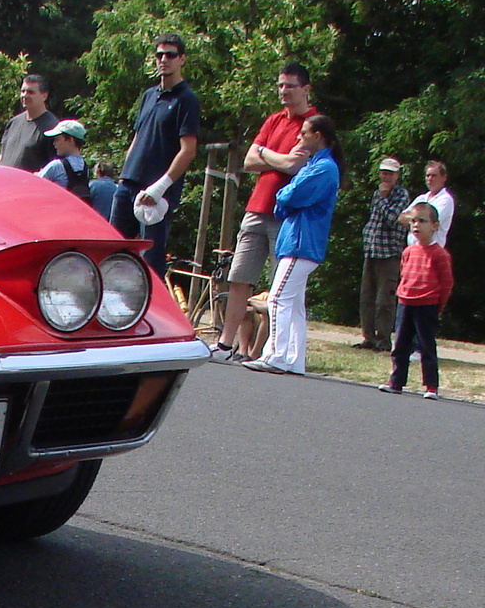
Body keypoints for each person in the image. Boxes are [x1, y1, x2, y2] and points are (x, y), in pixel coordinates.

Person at [209, 63, 316, 362]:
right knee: (239, 276)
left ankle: (269, 351)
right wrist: (275, 158)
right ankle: (225, 345)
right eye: (281, 85)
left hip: (286, 213)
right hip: (256, 207)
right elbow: (249, 160)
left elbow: (296, 166)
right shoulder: (273, 120)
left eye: (290, 86)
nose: (284, 91)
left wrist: (265, 154)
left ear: (306, 89)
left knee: (279, 285)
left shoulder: (313, 124)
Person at [243, 114, 342, 375]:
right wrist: (285, 196)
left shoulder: (324, 168)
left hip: (302, 243)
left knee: (277, 298)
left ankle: (275, 355)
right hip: (297, 240)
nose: (299, 137)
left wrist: (283, 195)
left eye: (304, 133)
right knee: (295, 303)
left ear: (318, 136)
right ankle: (295, 359)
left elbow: (291, 194)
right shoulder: (315, 165)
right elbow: (289, 194)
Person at [112, 33, 201, 278]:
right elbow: (138, 138)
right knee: (112, 252)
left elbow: (188, 150)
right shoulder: (149, 95)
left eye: (170, 54)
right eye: (159, 54)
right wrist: (123, 176)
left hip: (156, 193)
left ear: (181, 59)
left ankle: (149, 315)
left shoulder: (187, 100)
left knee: (150, 263)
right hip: (128, 183)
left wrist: (161, 187)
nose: (164, 59)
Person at [379, 201, 453, 400]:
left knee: (426, 345)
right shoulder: (409, 251)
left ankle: (431, 386)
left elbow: (446, 283)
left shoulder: (439, 254)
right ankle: (396, 381)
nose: (416, 225)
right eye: (413, 221)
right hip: (405, 303)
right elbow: (404, 274)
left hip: (427, 305)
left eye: (422, 221)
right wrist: (402, 294)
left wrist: (439, 306)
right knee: (400, 344)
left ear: (435, 226)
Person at [353, 158, 411, 352]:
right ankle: (368, 337)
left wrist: (384, 198)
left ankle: (383, 339)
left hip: (389, 253)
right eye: (384, 172)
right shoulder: (377, 193)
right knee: (366, 297)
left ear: (397, 175)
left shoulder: (401, 195)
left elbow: (393, 219)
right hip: (372, 249)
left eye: (390, 173)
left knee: (384, 299)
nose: (386, 176)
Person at [0, 73, 60, 172]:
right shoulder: (13, 123)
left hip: (31, 186)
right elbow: (2, 156)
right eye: (23, 91)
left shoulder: (52, 127)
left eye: (30, 92)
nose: (25, 95)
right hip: (5, 184)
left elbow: (55, 169)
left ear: (44, 96)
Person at [398, 160, 455, 248]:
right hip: (414, 249)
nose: (430, 178)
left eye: (434, 175)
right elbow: (401, 218)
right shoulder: (421, 198)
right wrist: (421, 220)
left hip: (432, 251)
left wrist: (412, 219)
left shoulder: (446, 200)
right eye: (427, 175)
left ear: (444, 177)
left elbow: (430, 223)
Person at [37, 120, 92, 200]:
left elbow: (35, 185)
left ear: (70, 140)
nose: (54, 143)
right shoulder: (85, 167)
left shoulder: (56, 166)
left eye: (57, 139)